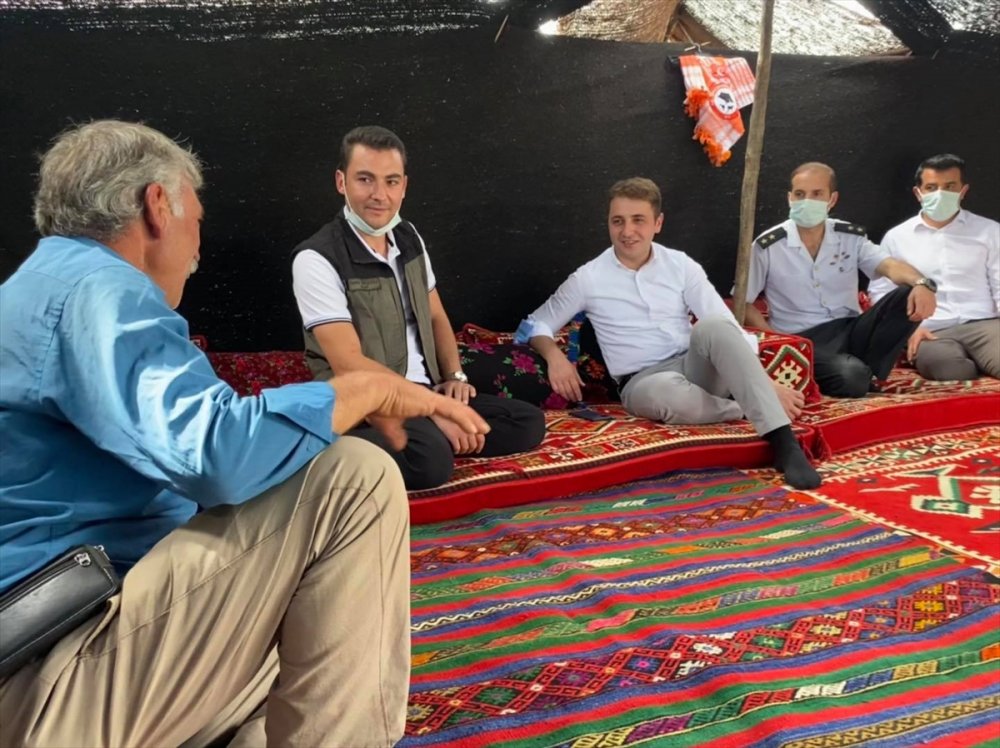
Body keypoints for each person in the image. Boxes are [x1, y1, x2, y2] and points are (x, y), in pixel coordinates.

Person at [0, 120, 490, 748]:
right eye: (198, 219)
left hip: (65, 653)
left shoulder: (41, 284)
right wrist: (368, 389)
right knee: (353, 478)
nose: (198, 250)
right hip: (51, 673)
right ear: (157, 205)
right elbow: (217, 454)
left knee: (305, 652)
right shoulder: (96, 290)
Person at [519, 177, 821, 490]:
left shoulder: (680, 265)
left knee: (715, 326)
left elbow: (723, 323)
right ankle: (749, 404)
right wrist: (554, 356)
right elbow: (535, 323)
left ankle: (785, 445)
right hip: (643, 382)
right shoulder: (588, 278)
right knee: (668, 394)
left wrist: (765, 381)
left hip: (696, 366)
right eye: (618, 221)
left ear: (658, 223)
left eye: (638, 220)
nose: (627, 231)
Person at [291, 125, 545, 490]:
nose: (380, 195)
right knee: (429, 461)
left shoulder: (408, 237)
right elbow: (348, 365)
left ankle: (430, 436)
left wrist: (454, 378)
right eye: (365, 179)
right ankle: (334, 449)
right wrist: (435, 410)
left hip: (425, 390)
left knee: (526, 422)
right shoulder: (316, 258)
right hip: (366, 404)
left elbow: (436, 315)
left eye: (391, 181)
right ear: (341, 182)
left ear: (404, 186)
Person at [743, 161, 938, 398]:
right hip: (803, 338)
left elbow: (889, 266)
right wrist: (779, 343)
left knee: (908, 291)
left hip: (851, 328)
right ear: (789, 198)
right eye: (800, 194)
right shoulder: (768, 246)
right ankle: (857, 374)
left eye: (817, 194)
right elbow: (743, 302)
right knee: (852, 378)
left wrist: (923, 284)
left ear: (832, 199)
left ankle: (870, 371)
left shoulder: (849, 236)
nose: (807, 201)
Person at [867, 154, 999, 380]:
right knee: (951, 372)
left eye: (949, 187)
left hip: (985, 325)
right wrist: (906, 332)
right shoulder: (897, 238)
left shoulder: (990, 231)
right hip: (930, 331)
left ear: (963, 191)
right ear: (918, 193)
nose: (940, 193)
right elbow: (881, 292)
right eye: (931, 187)